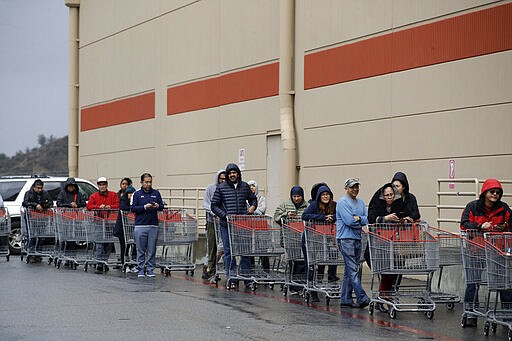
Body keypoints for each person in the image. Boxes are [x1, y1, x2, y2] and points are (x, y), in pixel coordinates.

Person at [460, 178, 511, 327]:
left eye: (498, 192)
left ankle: (507, 314)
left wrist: (506, 227)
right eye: (492, 192)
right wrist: (480, 226)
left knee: (504, 283)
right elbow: (464, 224)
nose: (495, 194)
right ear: (484, 193)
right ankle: (471, 313)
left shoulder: (504, 208)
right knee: (473, 283)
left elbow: (511, 223)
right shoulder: (473, 207)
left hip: (497, 251)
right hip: (476, 250)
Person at [210, 163, 258, 289]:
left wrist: (252, 207)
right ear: (227, 175)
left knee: (245, 251)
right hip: (226, 225)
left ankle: (247, 279)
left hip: (242, 223)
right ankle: (232, 278)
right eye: (230, 173)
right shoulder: (221, 188)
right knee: (228, 252)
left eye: (234, 172)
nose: (232, 175)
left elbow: (253, 199)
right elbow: (214, 205)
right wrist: (224, 215)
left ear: (238, 174)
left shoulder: (245, 186)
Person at [367, 183, 403, 312]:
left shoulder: (398, 204)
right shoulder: (376, 204)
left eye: (391, 195)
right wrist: (385, 218)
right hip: (377, 245)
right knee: (384, 270)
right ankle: (384, 298)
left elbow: (405, 214)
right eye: (387, 195)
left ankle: (388, 296)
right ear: (382, 196)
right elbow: (370, 219)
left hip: (392, 244)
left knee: (397, 266)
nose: (390, 198)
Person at [336, 178, 370, 309]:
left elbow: (367, 219)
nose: (355, 189)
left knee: (349, 270)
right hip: (345, 239)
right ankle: (362, 297)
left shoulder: (361, 202)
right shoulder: (342, 202)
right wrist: (359, 223)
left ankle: (345, 299)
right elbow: (349, 221)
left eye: (356, 187)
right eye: (352, 187)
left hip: (357, 238)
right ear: (346, 188)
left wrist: (360, 218)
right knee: (353, 269)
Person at [302, 184, 339, 302]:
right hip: (311, 238)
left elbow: (340, 214)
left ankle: (329, 279)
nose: (325, 196)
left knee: (331, 257)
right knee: (311, 264)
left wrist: (332, 217)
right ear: (319, 196)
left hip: (326, 238)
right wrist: (322, 217)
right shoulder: (314, 205)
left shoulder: (334, 205)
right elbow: (305, 215)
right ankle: (311, 290)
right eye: (323, 194)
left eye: (327, 194)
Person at [274, 185, 309, 294]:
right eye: (295, 196)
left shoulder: (307, 206)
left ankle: (298, 285)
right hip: (289, 238)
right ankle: (292, 283)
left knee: (301, 262)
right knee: (292, 261)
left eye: (299, 196)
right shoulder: (284, 205)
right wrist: (286, 214)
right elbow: (276, 217)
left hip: (303, 239)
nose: (297, 198)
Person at [131, 173, 164, 278]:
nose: (148, 184)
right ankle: (141, 269)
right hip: (140, 225)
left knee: (151, 249)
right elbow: (133, 208)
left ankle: (150, 269)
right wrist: (145, 207)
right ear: (141, 182)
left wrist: (158, 206)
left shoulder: (156, 193)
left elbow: (162, 206)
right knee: (140, 249)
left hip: (153, 225)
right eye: (146, 182)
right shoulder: (136, 194)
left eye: (150, 182)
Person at [86, 177, 120, 274]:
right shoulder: (94, 196)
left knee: (108, 243)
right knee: (99, 243)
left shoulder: (113, 195)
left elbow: (117, 205)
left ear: (106, 185)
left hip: (110, 222)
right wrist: (98, 207)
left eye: (104, 184)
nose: (102, 186)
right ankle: (99, 262)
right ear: (98, 185)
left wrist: (110, 207)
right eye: (100, 184)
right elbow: (89, 206)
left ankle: (105, 261)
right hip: (99, 221)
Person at [56, 177, 87, 267]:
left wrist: (77, 205)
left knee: (73, 239)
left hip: (75, 219)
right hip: (65, 219)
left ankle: (72, 258)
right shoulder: (63, 193)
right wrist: (69, 205)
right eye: (69, 186)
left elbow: (83, 203)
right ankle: (67, 258)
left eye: (73, 186)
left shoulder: (78, 194)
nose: (71, 188)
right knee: (66, 239)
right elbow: (59, 203)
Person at [202, 170, 226, 280]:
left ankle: (218, 269)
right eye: (221, 178)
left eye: (225, 179)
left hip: (223, 221)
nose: (223, 180)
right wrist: (214, 212)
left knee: (223, 246)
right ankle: (210, 269)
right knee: (212, 246)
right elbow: (205, 203)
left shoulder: (228, 189)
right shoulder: (211, 188)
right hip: (212, 221)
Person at [22, 179, 53, 262]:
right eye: (38, 188)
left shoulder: (45, 193)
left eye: (41, 188)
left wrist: (45, 205)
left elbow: (51, 202)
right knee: (32, 236)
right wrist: (35, 205)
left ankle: (38, 254)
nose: (40, 190)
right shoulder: (29, 193)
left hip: (42, 217)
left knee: (41, 237)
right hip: (31, 217)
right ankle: (31, 254)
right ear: (34, 187)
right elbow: (25, 203)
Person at [113, 178, 137, 272]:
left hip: (131, 228)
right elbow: (123, 207)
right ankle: (124, 263)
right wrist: (133, 207)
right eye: (129, 194)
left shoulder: (136, 201)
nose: (130, 195)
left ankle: (132, 264)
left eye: (132, 194)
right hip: (122, 228)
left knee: (134, 246)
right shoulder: (123, 200)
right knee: (124, 247)